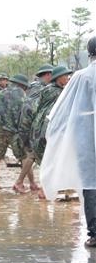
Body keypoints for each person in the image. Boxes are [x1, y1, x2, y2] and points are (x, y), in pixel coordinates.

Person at [41, 37, 95, 247]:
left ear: (89, 53)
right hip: (86, 135)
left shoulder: (81, 77)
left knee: (90, 183)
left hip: (86, 137)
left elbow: (62, 111)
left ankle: (95, 231)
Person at [31, 65, 73, 199]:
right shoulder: (58, 92)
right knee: (54, 160)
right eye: (65, 76)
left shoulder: (46, 89)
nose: (67, 78)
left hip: (39, 129)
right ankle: (47, 190)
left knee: (48, 161)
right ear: (58, 78)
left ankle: (50, 189)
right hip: (47, 130)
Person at [16, 64, 53, 193]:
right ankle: (40, 188)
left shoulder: (33, 87)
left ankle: (28, 183)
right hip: (34, 126)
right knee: (38, 155)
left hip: (25, 125)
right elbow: (35, 109)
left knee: (31, 155)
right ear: (48, 75)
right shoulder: (44, 89)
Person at [0, 74, 29, 192]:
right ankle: (30, 183)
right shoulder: (23, 96)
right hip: (15, 132)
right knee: (24, 157)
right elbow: (25, 115)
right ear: (22, 85)